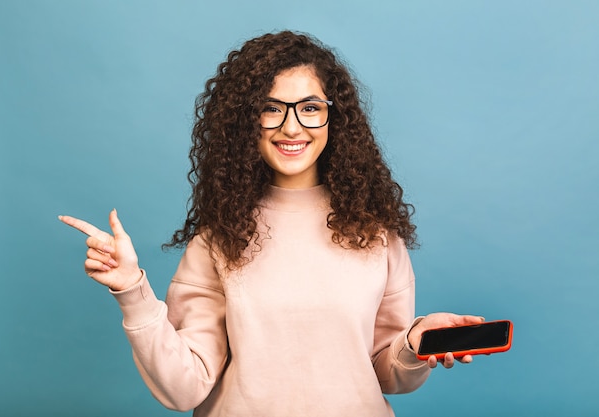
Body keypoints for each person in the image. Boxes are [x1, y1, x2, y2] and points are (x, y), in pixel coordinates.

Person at [59, 31, 484, 417]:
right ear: (246, 121)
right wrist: (132, 290)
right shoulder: (219, 237)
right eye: (270, 109)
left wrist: (414, 343)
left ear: (334, 119)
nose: (291, 126)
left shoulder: (376, 234)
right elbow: (183, 389)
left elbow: (389, 375)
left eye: (310, 108)